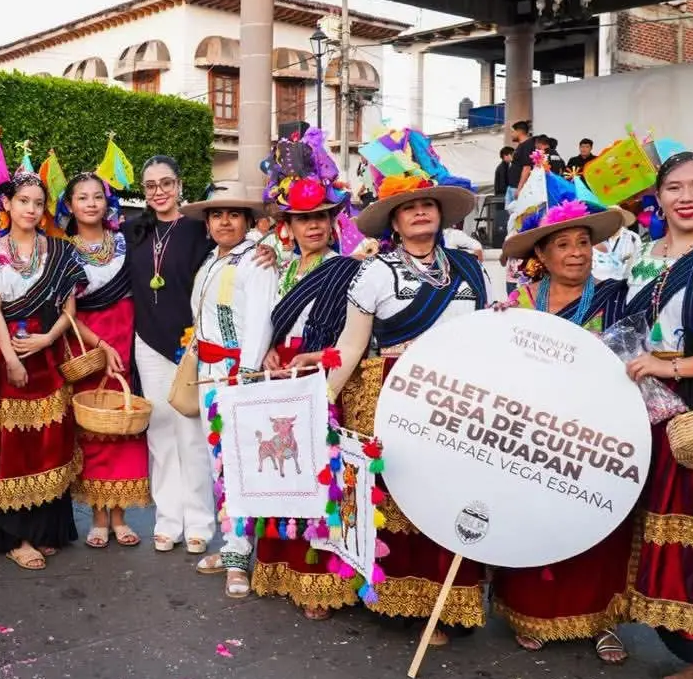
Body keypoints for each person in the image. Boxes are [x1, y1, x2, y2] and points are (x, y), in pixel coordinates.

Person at [325, 136, 488, 645]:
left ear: (440, 215)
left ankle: (447, 601)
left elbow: (488, 337)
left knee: (447, 495)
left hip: (456, 398)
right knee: (401, 497)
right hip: (392, 397)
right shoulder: (375, 273)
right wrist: (322, 399)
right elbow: (351, 347)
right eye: (407, 208)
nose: (419, 214)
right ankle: (403, 602)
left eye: (426, 205)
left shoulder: (470, 269)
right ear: (393, 222)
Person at [491, 173, 633, 664]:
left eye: (583, 243)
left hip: (590, 431)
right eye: (563, 245)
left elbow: (629, 359)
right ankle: (527, 612)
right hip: (530, 431)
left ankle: (602, 620)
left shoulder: (617, 297)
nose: (576, 253)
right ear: (543, 255)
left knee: (596, 523)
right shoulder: (520, 304)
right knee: (533, 521)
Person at [622, 151, 693, 679]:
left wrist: (675, 369)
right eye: (674, 187)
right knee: (670, 541)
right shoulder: (644, 257)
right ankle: (690, 653)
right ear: (657, 198)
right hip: (652, 412)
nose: (686, 196)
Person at [124, 156, 273, 555]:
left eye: (166, 183)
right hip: (148, 342)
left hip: (192, 346)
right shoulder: (134, 231)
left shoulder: (201, 230)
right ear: (143, 190)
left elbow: (244, 251)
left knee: (193, 435)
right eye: (151, 185)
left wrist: (270, 249)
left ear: (179, 185)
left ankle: (200, 523)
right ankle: (168, 520)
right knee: (159, 433)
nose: (159, 191)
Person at [252, 130, 362, 618]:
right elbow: (269, 324)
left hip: (325, 378)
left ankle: (322, 581)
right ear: (289, 226)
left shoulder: (351, 269)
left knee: (322, 480)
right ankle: (279, 567)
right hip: (280, 380)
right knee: (279, 475)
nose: (313, 226)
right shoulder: (281, 269)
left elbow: (358, 340)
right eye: (303, 220)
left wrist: (318, 361)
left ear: (333, 221)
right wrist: (271, 354)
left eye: (321, 217)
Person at [0, 166, 85, 570]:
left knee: (50, 437)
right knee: (14, 444)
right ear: (7, 204)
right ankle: (16, 537)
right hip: (8, 353)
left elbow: (69, 309)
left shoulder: (58, 250)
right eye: (23, 201)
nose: (31, 208)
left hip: (47, 350)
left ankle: (46, 530)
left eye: (38, 203)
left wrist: (47, 340)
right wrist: (9, 358)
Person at [180, 181, 278, 599]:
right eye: (217, 214)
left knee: (237, 466)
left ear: (248, 221)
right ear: (207, 224)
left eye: (233, 214)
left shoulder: (256, 261)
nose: (224, 221)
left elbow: (260, 322)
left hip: (236, 374)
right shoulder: (211, 261)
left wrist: (248, 375)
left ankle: (239, 558)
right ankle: (232, 544)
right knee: (220, 463)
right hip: (209, 370)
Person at [57, 171, 145, 548]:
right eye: (82, 197)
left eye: (97, 196)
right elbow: (66, 309)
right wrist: (99, 345)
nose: (91, 203)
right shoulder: (61, 249)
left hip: (129, 336)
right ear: (69, 205)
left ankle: (120, 511)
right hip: (87, 341)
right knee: (93, 422)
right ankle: (97, 512)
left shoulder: (128, 241)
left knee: (125, 417)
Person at [509, 120, 535, 197]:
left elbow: (527, 167)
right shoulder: (521, 145)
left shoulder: (528, 144)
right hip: (513, 187)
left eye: (513, 132)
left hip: (520, 188)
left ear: (519, 132)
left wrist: (520, 188)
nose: (511, 134)